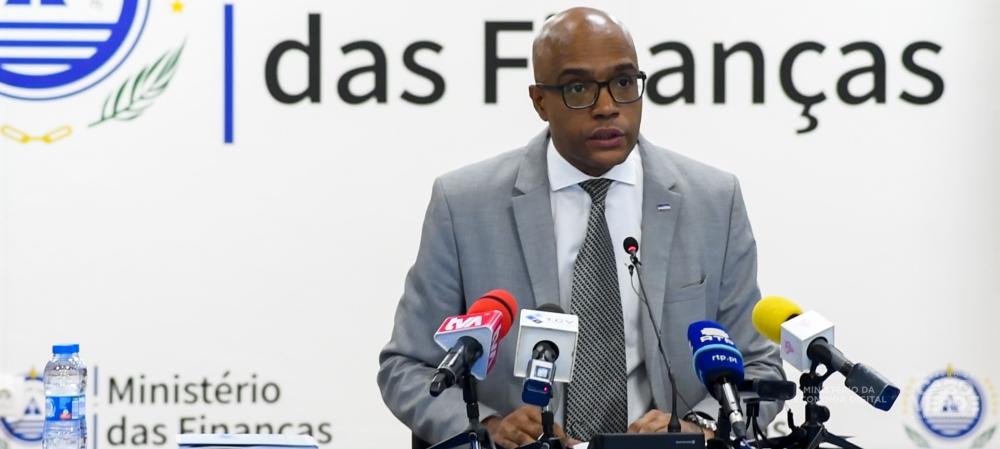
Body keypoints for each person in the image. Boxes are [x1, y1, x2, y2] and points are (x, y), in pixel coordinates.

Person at [378, 7, 784, 448]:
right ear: (540, 101)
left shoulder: (713, 200)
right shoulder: (464, 204)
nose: (607, 107)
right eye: (578, 88)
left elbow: (758, 366)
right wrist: (489, 428)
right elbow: (408, 367)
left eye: (624, 82)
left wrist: (701, 429)